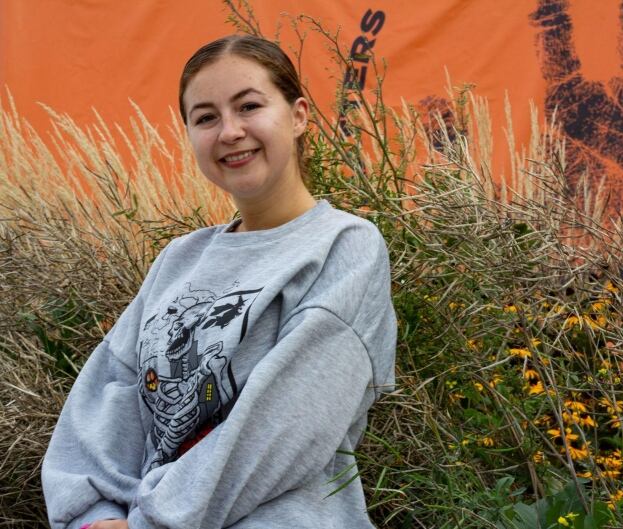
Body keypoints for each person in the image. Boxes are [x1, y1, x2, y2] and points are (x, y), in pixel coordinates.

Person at [42, 35, 396, 529]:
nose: (230, 131)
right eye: (206, 117)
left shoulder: (343, 246)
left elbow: (285, 428)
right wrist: (93, 515)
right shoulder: (180, 259)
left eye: (249, 106)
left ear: (297, 116)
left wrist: (150, 523)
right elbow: (108, 391)